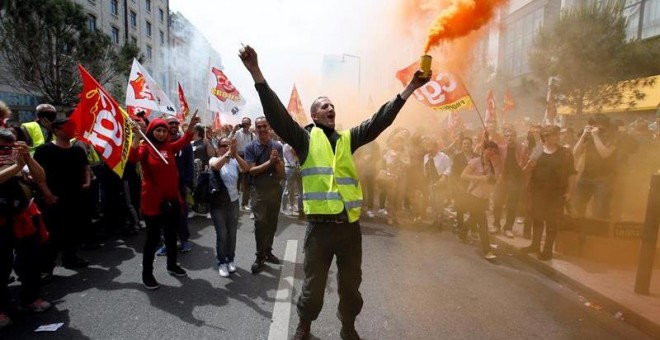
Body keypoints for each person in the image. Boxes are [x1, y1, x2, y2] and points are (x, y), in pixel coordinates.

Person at [239, 45, 430, 340]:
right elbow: (278, 116)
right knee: (314, 286)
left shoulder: (347, 139)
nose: (331, 108)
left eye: (332, 105)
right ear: (315, 115)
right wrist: (256, 72)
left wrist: (410, 88)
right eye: (324, 105)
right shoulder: (303, 139)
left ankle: (348, 326)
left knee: (351, 285)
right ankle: (304, 326)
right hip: (320, 230)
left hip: (350, 229)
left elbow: (380, 120)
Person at [128, 113, 201, 290]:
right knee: (152, 239)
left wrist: (191, 125)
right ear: (152, 131)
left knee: (170, 236)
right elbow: (133, 157)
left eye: (163, 131)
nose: (161, 134)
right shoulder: (146, 148)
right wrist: (137, 135)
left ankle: (172, 265)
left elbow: (185, 140)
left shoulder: (169, 147)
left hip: (172, 201)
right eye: (158, 130)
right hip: (153, 203)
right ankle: (147, 274)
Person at [0, 129, 51, 328]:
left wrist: (27, 158)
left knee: (30, 260)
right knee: (1, 266)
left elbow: (40, 177)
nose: (7, 151)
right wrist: (15, 167)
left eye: (10, 147)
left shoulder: (18, 161)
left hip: (22, 217)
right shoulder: (13, 165)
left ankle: (30, 298)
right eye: (2, 147)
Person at [34, 118, 91, 276]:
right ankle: (46, 268)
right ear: (57, 130)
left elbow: (84, 167)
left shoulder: (77, 150)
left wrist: (86, 182)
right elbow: (37, 175)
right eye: (68, 127)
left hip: (74, 197)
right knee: (52, 234)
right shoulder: (44, 150)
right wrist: (48, 194)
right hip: (53, 199)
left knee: (72, 229)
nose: (72, 130)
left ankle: (70, 258)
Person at [523, 125, 576, 260]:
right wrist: (529, 166)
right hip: (538, 192)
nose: (559, 137)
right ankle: (535, 245)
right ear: (545, 137)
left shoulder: (565, 153)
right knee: (538, 220)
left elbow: (571, 174)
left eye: (559, 134)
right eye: (555, 135)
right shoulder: (538, 151)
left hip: (556, 193)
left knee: (552, 223)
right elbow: (529, 170)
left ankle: (547, 251)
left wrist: (570, 192)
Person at [244, 116, 284, 274]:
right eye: (258, 126)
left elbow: (281, 173)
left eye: (264, 126)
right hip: (259, 192)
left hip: (275, 190)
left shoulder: (277, 146)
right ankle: (259, 256)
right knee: (260, 224)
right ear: (255, 129)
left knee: (272, 224)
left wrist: (278, 161)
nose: (261, 129)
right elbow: (252, 171)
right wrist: (269, 162)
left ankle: (268, 251)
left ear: (269, 128)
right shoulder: (250, 147)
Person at [208, 137, 249, 277]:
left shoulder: (233, 161)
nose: (226, 147)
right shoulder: (214, 159)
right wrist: (228, 153)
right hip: (218, 205)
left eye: (228, 145)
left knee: (232, 234)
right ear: (218, 148)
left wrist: (235, 154)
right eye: (223, 145)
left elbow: (246, 168)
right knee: (222, 234)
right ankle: (221, 262)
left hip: (233, 202)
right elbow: (215, 167)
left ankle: (230, 259)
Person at [156, 117, 195, 256]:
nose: (173, 125)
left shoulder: (185, 143)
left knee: (181, 213)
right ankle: (167, 243)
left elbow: (190, 164)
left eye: (175, 123)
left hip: (180, 185)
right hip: (162, 186)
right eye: (170, 123)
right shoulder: (158, 143)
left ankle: (184, 240)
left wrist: (188, 183)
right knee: (163, 215)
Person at [573, 114, 618, 219]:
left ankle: (598, 233)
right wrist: (584, 134)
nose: (595, 128)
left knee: (600, 210)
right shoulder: (589, 136)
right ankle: (580, 231)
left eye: (597, 125)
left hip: (604, 178)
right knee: (578, 207)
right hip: (586, 176)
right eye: (592, 125)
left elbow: (605, 154)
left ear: (604, 125)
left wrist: (595, 136)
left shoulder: (613, 136)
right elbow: (576, 152)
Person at [459, 141, 499, 260]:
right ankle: (487, 251)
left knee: (473, 218)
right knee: (483, 223)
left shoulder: (492, 164)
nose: (491, 153)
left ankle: (462, 233)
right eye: (489, 150)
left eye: (493, 151)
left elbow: (492, 181)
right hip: (473, 196)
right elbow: (463, 176)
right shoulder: (475, 162)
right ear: (483, 149)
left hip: (484, 197)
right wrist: (480, 178)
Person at [492, 126, 528, 237]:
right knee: (498, 203)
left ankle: (508, 227)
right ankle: (496, 225)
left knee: (512, 205)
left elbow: (526, 162)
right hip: (502, 179)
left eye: (511, 135)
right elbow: (493, 159)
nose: (509, 138)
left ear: (515, 137)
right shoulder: (500, 148)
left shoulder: (522, 148)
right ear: (505, 137)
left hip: (515, 180)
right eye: (507, 136)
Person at [230, 117, 257, 210]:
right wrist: (233, 131)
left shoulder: (253, 135)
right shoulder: (237, 133)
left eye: (247, 124)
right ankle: (234, 203)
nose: (245, 125)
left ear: (250, 125)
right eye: (243, 123)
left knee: (246, 182)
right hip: (237, 157)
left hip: (248, 158)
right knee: (235, 180)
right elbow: (229, 141)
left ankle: (244, 204)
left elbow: (255, 146)